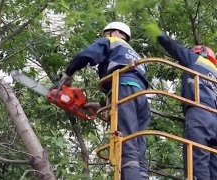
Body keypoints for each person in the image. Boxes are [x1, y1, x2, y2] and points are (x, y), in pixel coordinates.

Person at [60, 21, 151, 180]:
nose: (104, 37)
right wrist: (103, 105)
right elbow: (128, 86)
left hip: (123, 89)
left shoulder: (111, 41)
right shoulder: (135, 55)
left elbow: (86, 55)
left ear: (114, 32)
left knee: (126, 141)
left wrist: (68, 73)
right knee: (138, 143)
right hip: (141, 98)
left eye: (106, 34)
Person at [145, 23, 217, 180]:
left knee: (197, 165)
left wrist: (155, 30)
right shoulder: (215, 73)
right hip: (215, 120)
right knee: (214, 169)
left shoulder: (195, 59)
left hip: (199, 114)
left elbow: (173, 46)